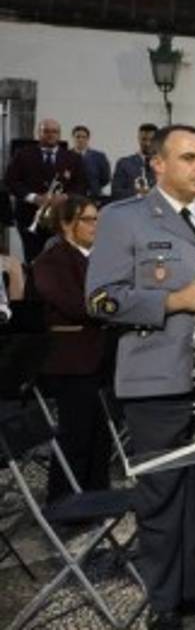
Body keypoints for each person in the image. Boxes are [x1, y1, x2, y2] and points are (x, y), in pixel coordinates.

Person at [85, 124, 195, 630]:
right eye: (188, 157)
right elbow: (99, 298)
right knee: (161, 495)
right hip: (159, 381)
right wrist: (171, 302)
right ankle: (164, 602)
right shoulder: (125, 219)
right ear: (158, 164)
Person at [33, 195, 110, 502]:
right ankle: (66, 502)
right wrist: (113, 306)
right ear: (67, 223)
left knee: (100, 435)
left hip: (100, 356)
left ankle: (96, 496)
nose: (96, 226)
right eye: (89, 220)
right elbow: (75, 305)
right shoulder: (51, 261)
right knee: (75, 434)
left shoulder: (100, 257)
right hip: (72, 361)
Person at [5, 118, 88, 262]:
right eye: (46, 131)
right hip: (28, 215)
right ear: (39, 133)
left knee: (59, 259)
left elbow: (81, 185)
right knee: (33, 258)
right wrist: (34, 197)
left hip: (60, 217)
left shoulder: (73, 158)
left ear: (59, 134)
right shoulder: (23, 154)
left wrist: (66, 196)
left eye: (54, 132)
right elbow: (10, 181)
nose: (51, 135)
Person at [111, 123, 159, 200]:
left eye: (151, 140)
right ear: (138, 139)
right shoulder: (124, 163)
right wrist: (138, 193)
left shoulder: (167, 164)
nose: (147, 143)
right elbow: (116, 192)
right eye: (144, 139)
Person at [71, 125, 111, 199]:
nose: (80, 139)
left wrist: (95, 186)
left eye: (83, 137)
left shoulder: (99, 156)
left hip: (94, 196)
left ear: (88, 138)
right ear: (73, 138)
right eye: (78, 137)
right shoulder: (66, 155)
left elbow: (106, 178)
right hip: (72, 197)